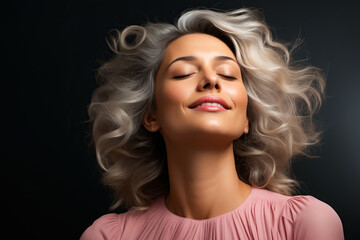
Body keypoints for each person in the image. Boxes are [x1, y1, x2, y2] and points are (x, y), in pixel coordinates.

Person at [81, 8, 344, 239]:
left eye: (228, 74)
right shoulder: (109, 236)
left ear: (246, 118)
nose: (211, 80)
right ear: (151, 115)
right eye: (184, 72)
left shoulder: (304, 223)